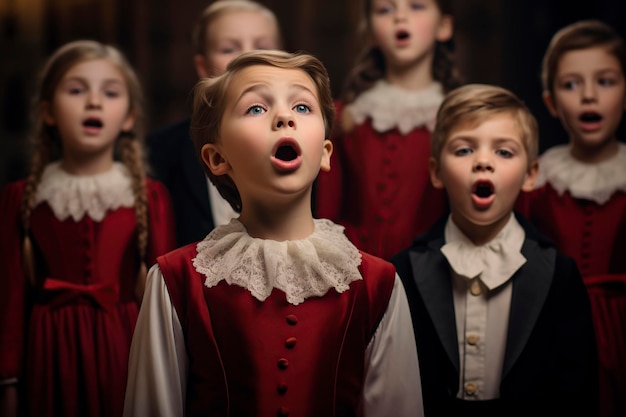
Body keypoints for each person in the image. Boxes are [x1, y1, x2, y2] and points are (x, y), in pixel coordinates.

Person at [123, 50, 423, 417]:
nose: (284, 116)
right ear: (217, 159)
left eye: (301, 107)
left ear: (326, 152)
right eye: (255, 109)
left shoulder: (380, 285)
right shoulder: (173, 282)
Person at [392, 84, 599, 416]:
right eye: (463, 150)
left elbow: (578, 394)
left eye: (504, 152)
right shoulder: (402, 273)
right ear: (436, 172)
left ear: (531, 174)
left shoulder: (559, 274)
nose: (483, 162)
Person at [0, 40, 176, 417]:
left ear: (128, 117)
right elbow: (10, 296)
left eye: (110, 93)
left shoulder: (150, 196)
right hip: (46, 349)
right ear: (48, 112)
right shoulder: (21, 197)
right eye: (77, 90)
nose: (93, 102)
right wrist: (9, 381)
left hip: (124, 344)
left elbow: (168, 300)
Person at [516, 19, 626, 417]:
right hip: (554, 329)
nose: (589, 96)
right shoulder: (537, 181)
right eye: (571, 84)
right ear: (551, 102)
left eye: (606, 81)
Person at [314, 0, 462, 260]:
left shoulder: (457, 119)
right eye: (385, 9)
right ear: (370, 32)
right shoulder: (346, 117)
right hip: (354, 266)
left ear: (444, 26)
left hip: (432, 268)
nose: (400, 17)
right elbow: (326, 214)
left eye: (416, 6)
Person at [147, 0, 283, 247]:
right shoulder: (161, 151)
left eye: (262, 47)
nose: (248, 57)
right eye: (229, 49)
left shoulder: (307, 140)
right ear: (202, 66)